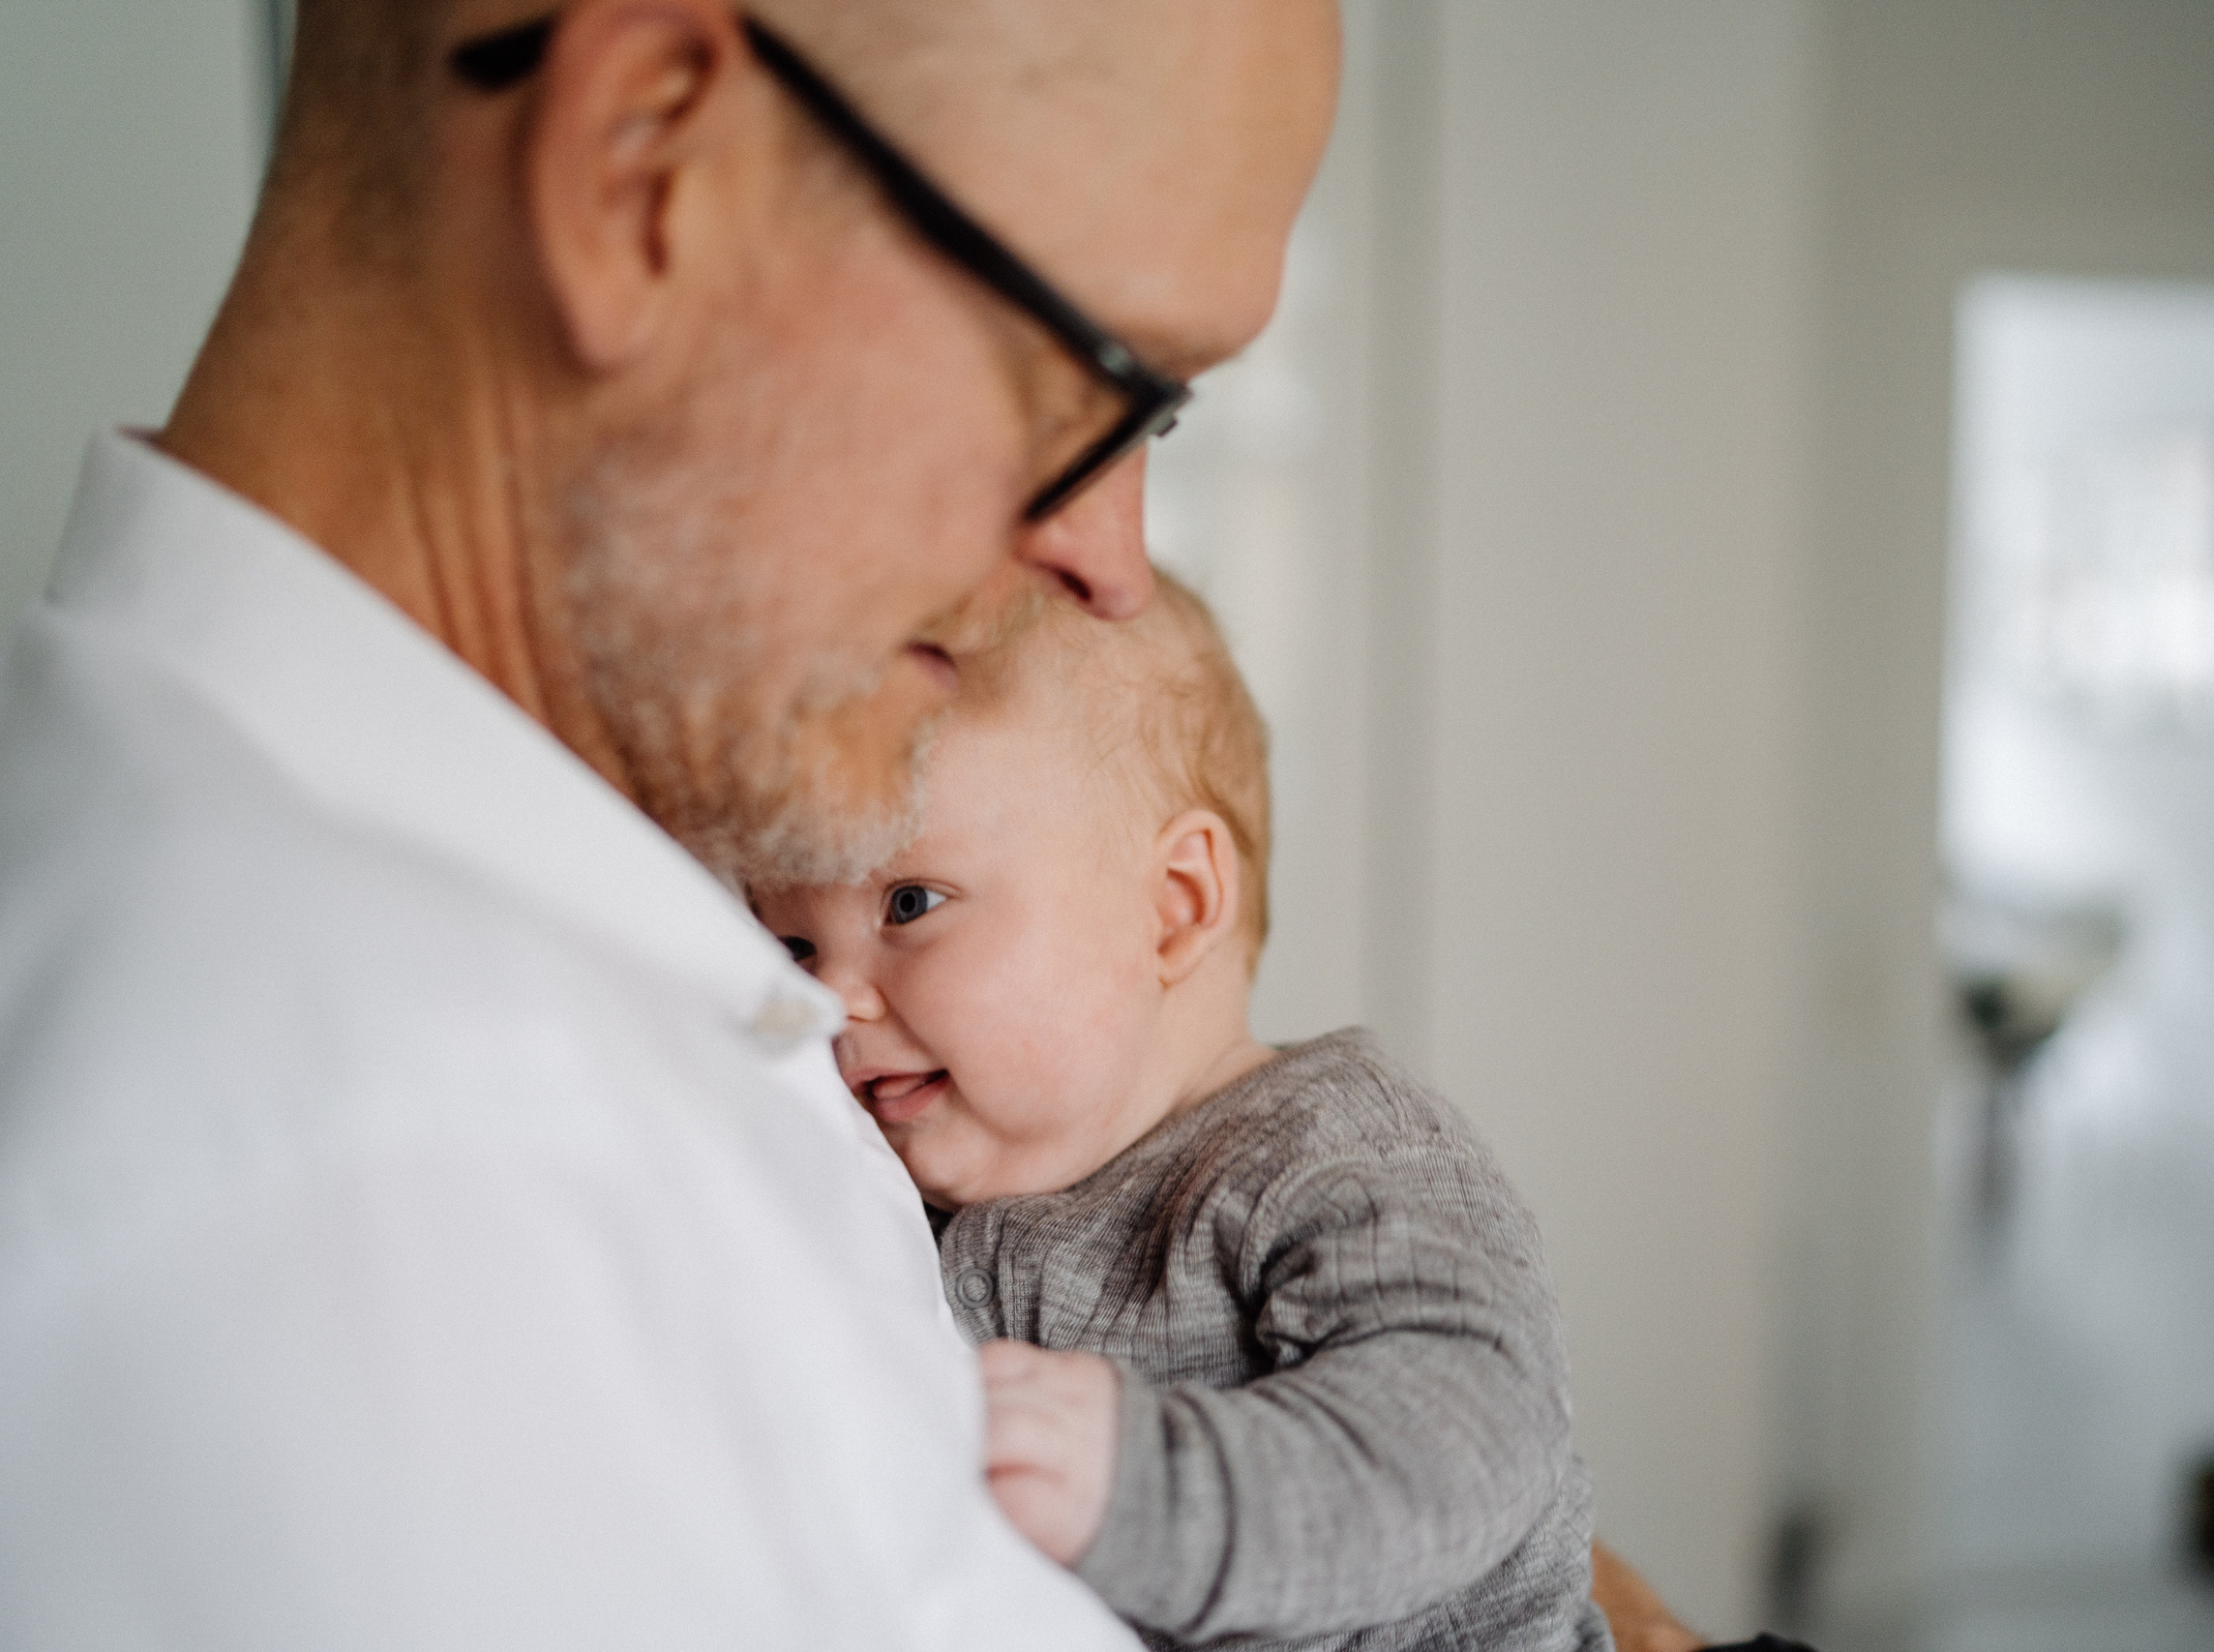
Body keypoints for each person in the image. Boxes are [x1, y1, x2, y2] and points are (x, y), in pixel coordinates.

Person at [0, 2, 1337, 1644]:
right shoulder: (327, 1197)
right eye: (1094, 379)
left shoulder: (651, 915)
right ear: (644, 170)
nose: (1111, 562)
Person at [750, 579, 1608, 1649]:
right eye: (793, 945)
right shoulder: (911, 1205)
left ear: (1174, 906)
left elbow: (1470, 1437)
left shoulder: (1330, 1147)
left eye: (909, 903)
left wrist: (1140, 1486)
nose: (830, 998)